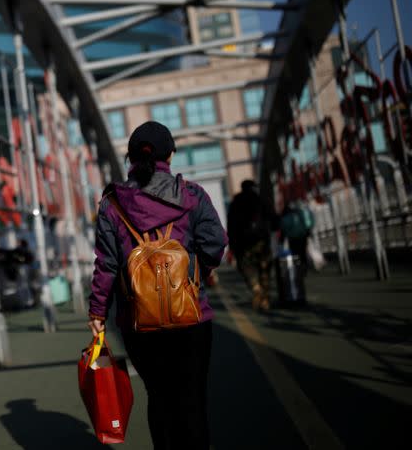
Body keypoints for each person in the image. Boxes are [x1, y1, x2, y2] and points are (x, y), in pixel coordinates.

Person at [87, 121, 227, 450]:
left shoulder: (112, 204)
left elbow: (106, 264)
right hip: (191, 318)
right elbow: (215, 242)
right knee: (192, 402)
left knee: (160, 399)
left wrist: (97, 311)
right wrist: (195, 274)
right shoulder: (191, 195)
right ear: (171, 155)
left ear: (131, 158)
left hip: (139, 322)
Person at [226, 180, 279, 311]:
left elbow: (231, 226)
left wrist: (232, 246)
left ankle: (256, 288)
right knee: (264, 269)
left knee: (247, 268)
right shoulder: (261, 200)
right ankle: (265, 299)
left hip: (243, 244)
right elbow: (274, 219)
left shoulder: (235, 203)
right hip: (262, 241)